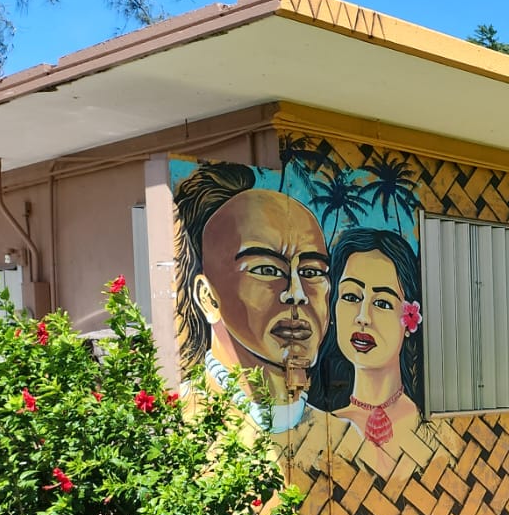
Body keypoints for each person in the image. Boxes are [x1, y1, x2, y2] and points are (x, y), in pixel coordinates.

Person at [173, 162, 330, 433]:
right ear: (208, 298)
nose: (297, 294)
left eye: (311, 272)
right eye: (267, 270)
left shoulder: (346, 437)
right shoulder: (181, 426)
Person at [309, 228, 424, 448]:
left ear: (410, 318)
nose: (363, 317)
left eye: (382, 303)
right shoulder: (321, 424)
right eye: (351, 296)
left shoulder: (425, 421)